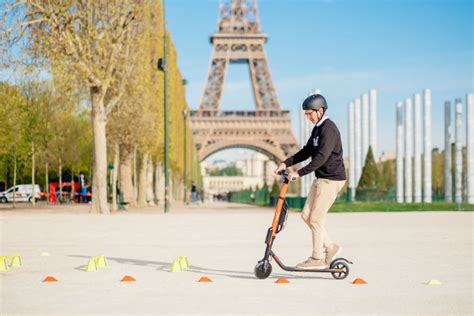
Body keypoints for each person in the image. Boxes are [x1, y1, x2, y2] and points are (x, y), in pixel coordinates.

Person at [274, 94, 346, 269]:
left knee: (315, 219)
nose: (308, 117)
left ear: (320, 110)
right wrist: (286, 162)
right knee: (306, 216)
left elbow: (321, 157)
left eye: (310, 114)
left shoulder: (329, 129)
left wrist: (298, 173)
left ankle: (316, 258)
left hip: (331, 180)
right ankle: (331, 247)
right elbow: (306, 151)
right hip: (321, 178)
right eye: (306, 114)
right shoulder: (317, 129)